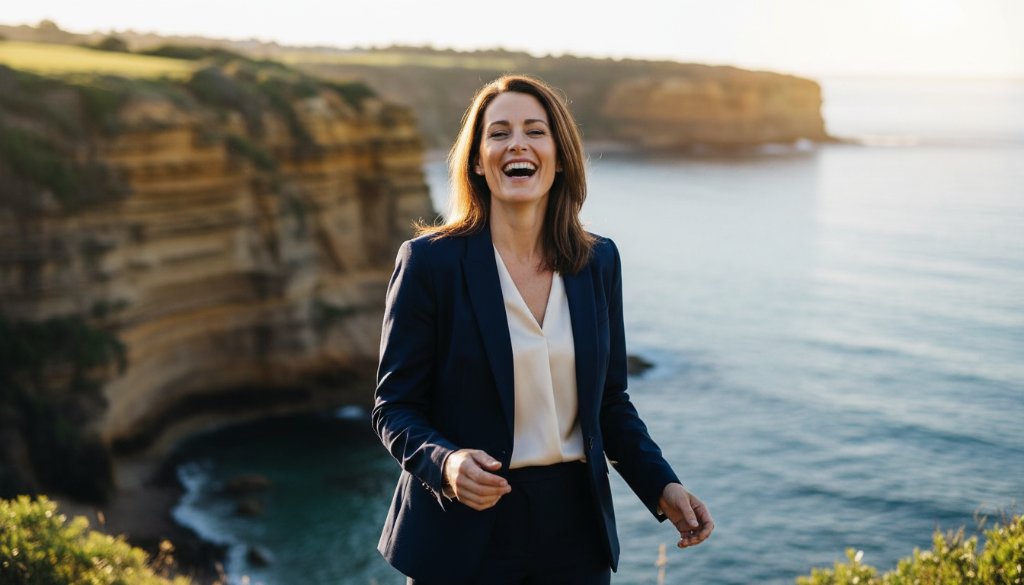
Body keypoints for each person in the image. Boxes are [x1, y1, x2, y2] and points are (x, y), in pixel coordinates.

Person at [372, 74, 713, 585]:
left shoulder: (598, 260)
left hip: (575, 531)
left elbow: (610, 402)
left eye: (535, 131)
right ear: (477, 161)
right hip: (461, 531)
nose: (517, 144)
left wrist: (661, 485)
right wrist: (445, 464)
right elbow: (393, 407)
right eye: (499, 132)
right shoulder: (429, 263)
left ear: (559, 156)